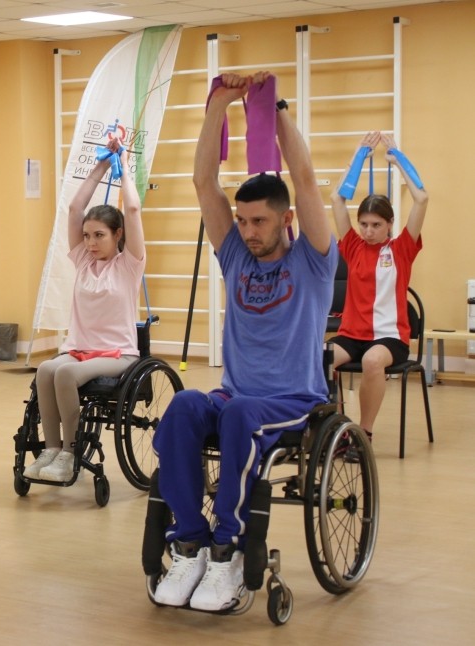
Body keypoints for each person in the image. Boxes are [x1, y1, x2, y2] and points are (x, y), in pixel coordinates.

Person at [150, 72, 338, 611]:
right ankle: (190, 544)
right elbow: (203, 181)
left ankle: (227, 549)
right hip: (236, 396)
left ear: (286, 219)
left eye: (259, 221)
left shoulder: (313, 262)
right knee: (184, 406)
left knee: (239, 415)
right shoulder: (235, 256)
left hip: (292, 400)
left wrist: (272, 108)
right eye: (243, 221)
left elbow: (305, 178)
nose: (249, 231)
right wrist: (220, 103)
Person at [22, 135, 145, 483]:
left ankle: (70, 453)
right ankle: (50, 450)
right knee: (46, 369)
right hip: (79, 348)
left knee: (64, 374)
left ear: (118, 234)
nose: (90, 242)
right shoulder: (83, 262)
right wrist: (102, 164)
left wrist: (124, 166)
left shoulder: (129, 265)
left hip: (117, 353)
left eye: (99, 235)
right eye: (87, 236)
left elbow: (133, 211)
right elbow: (75, 209)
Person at [329, 132, 427, 442]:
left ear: (389, 224)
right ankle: (336, 429)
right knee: (319, 359)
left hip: (390, 337)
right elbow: (336, 199)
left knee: (372, 361)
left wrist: (399, 160)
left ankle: (364, 434)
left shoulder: (402, 248)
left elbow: (422, 198)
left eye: (376, 225)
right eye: (364, 224)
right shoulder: (353, 246)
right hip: (351, 335)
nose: (369, 231)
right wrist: (359, 156)